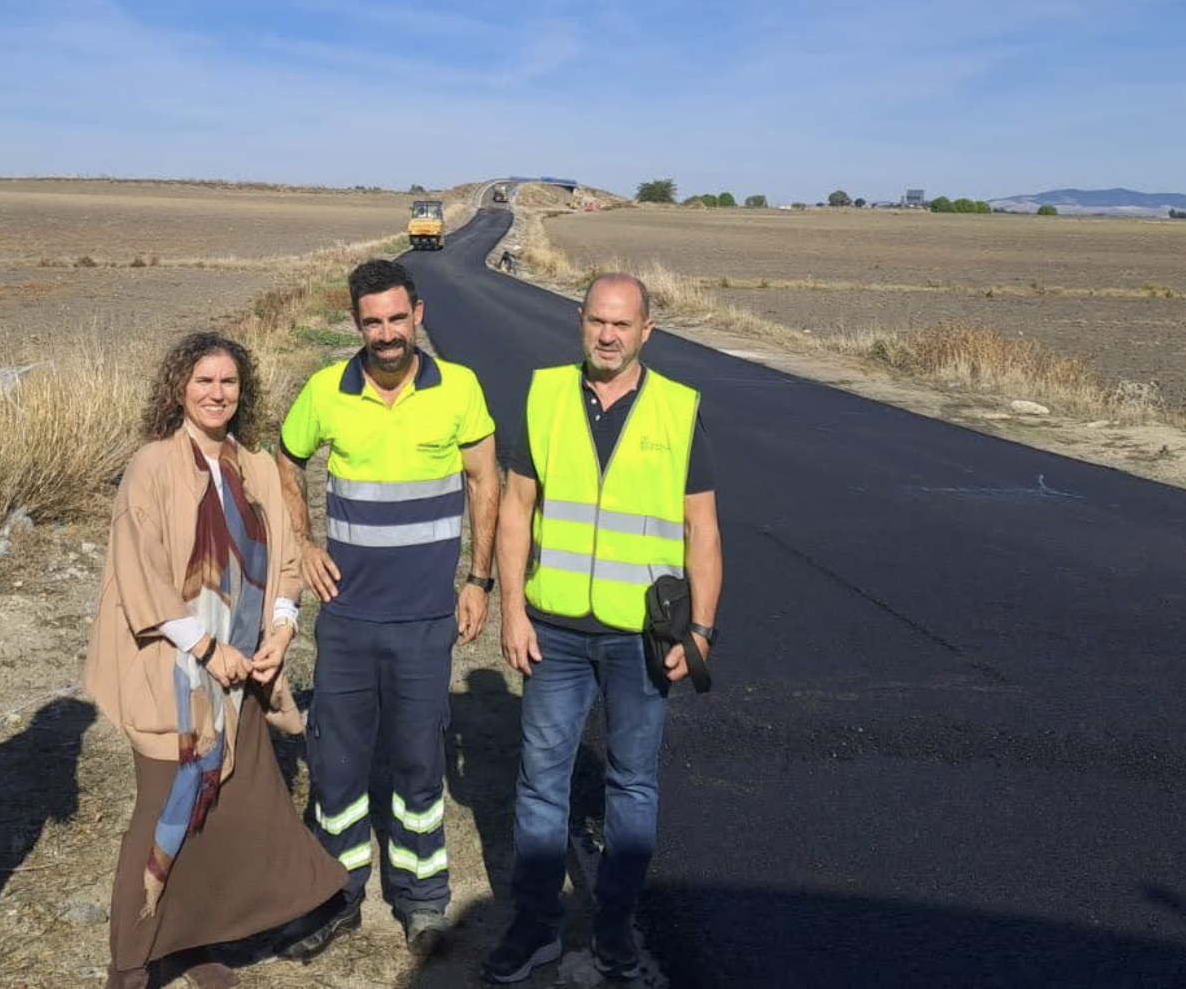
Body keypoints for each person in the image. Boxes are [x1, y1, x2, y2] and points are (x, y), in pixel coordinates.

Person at [480, 273, 722, 985]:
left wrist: (701, 631)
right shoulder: (545, 393)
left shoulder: (679, 410)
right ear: (580, 322)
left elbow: (699, 529)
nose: (607, 335)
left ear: (647, 330)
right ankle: (535, 929)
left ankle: (616, 927)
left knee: (633, 785)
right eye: (596, 322)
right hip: (552, 631)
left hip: (641, 639)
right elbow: (517, 509)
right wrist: (512, 610)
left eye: (622, 324)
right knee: (541, 782)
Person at [85, 332, 347, 989]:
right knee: (165, 813)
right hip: (173, 675)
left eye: (228, 382)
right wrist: (203, 647)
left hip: (241, 680)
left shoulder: (256, 467)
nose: (216, 393)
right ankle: (130, 961)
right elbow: (138, 575)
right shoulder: (152, 466)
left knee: (223, 813)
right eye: (203, 380)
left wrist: (281, 629)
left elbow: (286, 562)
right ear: (179, 387)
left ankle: (194, 942)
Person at [275, 259, 501, 959]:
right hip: (346, 619)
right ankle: (335, 897)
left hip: (427, 617)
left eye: (397, 318)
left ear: (418, 315)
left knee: (416, 762)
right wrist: (304, 541)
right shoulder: (326, 389)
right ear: (356, 324)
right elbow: (287, 461)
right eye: (372, 321)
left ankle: (422, 898)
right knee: (337, 767)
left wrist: (479, 580)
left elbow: (484, 479)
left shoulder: (458, 387)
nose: (386, 333)